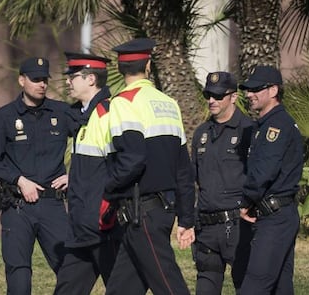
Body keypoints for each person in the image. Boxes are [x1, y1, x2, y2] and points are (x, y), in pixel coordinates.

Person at [103, 38, 195, 295]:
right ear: (149, 66)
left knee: (169, 286)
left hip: (140, 214)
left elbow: (132, 159)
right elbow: (183, 169)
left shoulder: (123, 102)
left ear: (120, 69)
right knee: (121, 289)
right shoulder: (169, 103)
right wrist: (186, 217)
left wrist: (106, 189)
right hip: (161, 210)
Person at [0, 57, 76, 294]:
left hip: (53, 206)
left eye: (44, 79)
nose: (41, 84)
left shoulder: (63, 112)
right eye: (35, 79)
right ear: (21, 80)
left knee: (71, 270)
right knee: (19, 273)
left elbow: (94, 138)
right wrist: (19, 180)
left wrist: (75, 175)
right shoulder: (2, 117)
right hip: (17, 206)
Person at [54, 52, 121, 294]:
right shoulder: (82, 115)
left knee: (119, 286)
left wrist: (106, 208)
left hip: (102, 225)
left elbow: (121, 166)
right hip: (81, 225)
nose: (68, 81)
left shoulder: (108, 113)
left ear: (91, 79)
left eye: (73, 76)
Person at [238, 65, 303, 294]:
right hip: (277, 215)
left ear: (273, 90)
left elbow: (263, 171)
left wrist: (245, 202)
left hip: (276, 218)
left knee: (254, 287)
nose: (248, 94)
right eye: (247, 89)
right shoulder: (265, 125)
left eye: (256, 89)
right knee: (280, 287)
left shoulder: (276, 126)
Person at [191, 71, 253, 295]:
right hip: (206, 228)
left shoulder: (248, 130)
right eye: (208, 95)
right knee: (205, 288)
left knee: (247, 286)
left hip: (236, 226)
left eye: (218, 96)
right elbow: (194, 177)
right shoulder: (202, 133)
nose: (211, 100)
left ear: (233, 97)